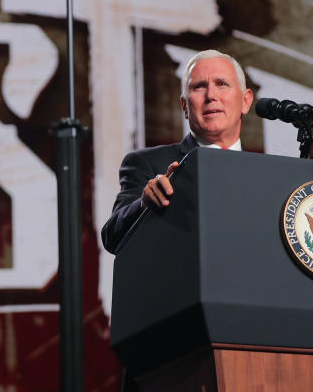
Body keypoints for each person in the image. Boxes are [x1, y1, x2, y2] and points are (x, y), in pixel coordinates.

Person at [100, 49, 254, 254]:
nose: (211, 95)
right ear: (184, 106)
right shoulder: (147, 163)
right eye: (199, 87)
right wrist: (145, 205)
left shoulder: (264, 172)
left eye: (222, 84)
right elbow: (112, 237)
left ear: (245, 101)